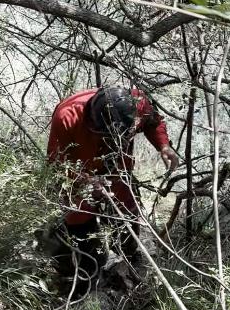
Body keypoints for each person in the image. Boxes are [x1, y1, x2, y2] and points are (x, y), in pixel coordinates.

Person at [46, 86, 178, 295]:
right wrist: (85, 180)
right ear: (92, 121)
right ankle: (87, 275)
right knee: (79, 219)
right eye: (105, 135)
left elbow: (154, 121)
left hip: (118, 172)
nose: (109, 141)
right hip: (80, 176)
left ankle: (128, 263)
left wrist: (163, 145)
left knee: (127, 216)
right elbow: (56, 162)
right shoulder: (67, 116)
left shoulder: (137, 104)